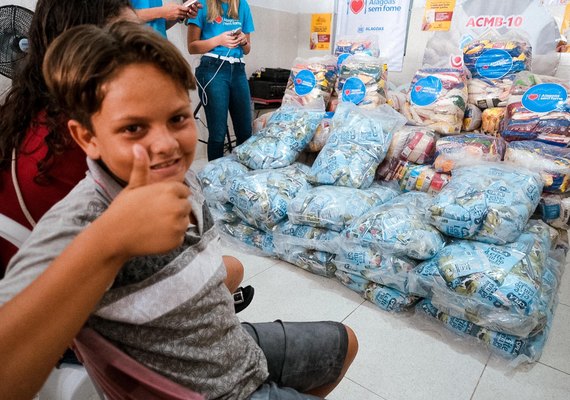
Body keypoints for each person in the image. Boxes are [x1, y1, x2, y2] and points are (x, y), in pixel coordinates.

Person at [0, 21, 358, 399]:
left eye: (177, 118)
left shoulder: (183, 179)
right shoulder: (84, 220)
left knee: (344, 342)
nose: (166, 144)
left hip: (229, 344)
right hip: (217, 388)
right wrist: (110, 240)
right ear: (86, 137)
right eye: (134, 128)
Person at [0, 0, 138, 277]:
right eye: (128, 44)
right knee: (232, 269)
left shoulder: (20, 114)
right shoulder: (85, 141)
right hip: (62, 294)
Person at [187, 0, 254, 161]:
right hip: (212, 68)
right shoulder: (201, 5)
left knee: (245, 131)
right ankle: (214, 179)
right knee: (217, 133)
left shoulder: (241, 5)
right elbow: (192, 46)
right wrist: (219, 40)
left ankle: (244, 179)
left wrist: (243, 41)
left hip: (238, 69)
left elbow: (247, 49)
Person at [133, 0, 200, 38]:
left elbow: (158, 25)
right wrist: (161, 12)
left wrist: (180, 13)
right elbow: (123, 17)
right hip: (135, 52)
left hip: (159, 50)